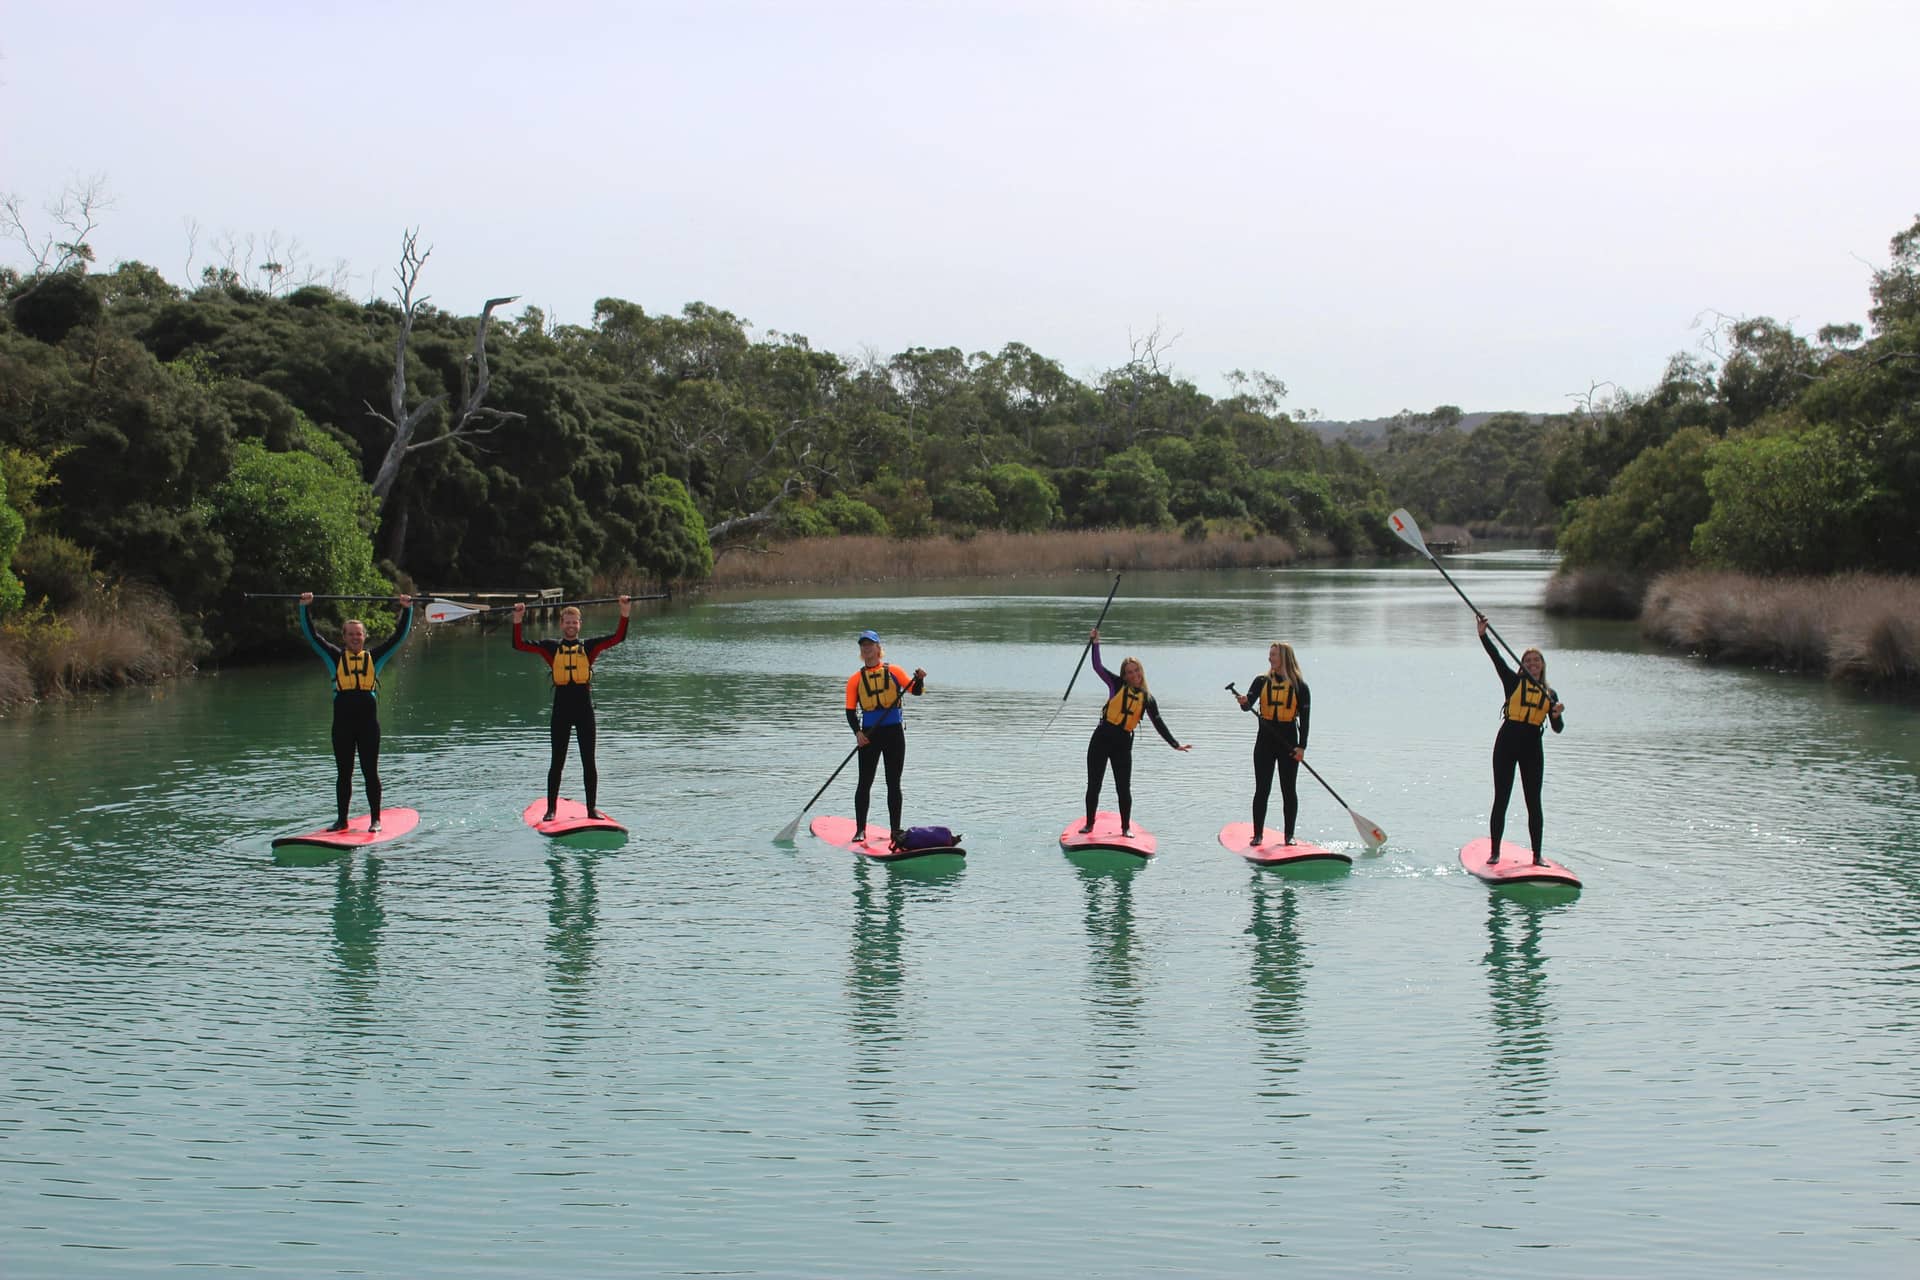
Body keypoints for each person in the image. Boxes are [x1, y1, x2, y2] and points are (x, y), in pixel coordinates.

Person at [297, 591, 414, 831]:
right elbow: (313, 636)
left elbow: (398, 637)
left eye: (358, 634)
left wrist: (407, 610)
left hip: (368, 727)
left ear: (364, 636)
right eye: (350, 634)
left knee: (371, 772)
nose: (355, 638)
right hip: (342, 727)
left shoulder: (374, 658)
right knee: (344, 774)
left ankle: (375, 820)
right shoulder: (334, 658)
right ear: (344, 637)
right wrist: (305, 608)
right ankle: (342, 820)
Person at [513, 596, 633, 822]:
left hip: (584, 710)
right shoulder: (551, 648)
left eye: (574, 622)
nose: (570, 626)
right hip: (561, 710)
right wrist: (518, 619)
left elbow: (618, 637)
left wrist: (624, 612)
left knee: (590, 761)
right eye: (567, 622)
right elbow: (519, 644)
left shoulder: (590, 647)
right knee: (556, 761)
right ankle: (551, 810)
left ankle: (591, 809)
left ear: (580, 624)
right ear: (561, 625)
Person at [1082, 627, 1190, 836]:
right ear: (1124, 675)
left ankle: (1125, 828)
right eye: (1129, 672)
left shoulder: (1147, 699)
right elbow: (1097, 667)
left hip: (1122, 744)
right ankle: (1089, 824)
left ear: (1141, 672)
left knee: (1123, 788)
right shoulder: (1116, 684)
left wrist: (1175, 744)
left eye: (1136, 670)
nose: (1134, 675)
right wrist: (1095, 643)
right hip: (1101, 738)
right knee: (1094, 784)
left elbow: (1159, 723)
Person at [1478, 614, 1565, 866]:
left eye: (1536, 660)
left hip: (1532, 748)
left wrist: (1557, 715)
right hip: (1507, 744)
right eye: (1528, 661)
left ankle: (1537, 856)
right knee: (1502, 797)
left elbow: (1557, 728)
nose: (1532, 663)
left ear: (1542, 665)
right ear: (1523, 665)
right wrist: (1483, 635)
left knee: (1533, 802)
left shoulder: (1550, 694)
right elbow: (1497, 659)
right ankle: (1495, 852)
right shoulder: (1513, 682)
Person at [844, 629, 926, 845]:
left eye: (870, 644)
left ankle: (895, 831)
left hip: (893, 734)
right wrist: (858, 733)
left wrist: (919, 680)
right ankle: (860, 830)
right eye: (863, 645)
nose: (866, 648)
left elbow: (915, 691)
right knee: (864, 783)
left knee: (893, 783)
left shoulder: (894, 671)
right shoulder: (855, 679)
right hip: (869, 736)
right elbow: (850, 711)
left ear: (878, 648)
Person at [1233, 642, 1311, 845]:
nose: (1270, 658)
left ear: (1284, 657)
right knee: (1262, 789)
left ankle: (1289, 836)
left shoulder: (1300, 687)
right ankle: (1258, 834)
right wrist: (1244, 702)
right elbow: (1248, 704)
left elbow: (1305, 719)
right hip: (1265, 741)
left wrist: (1301, 747)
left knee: (1288, 789)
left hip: (1289, 743)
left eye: (1274, 655)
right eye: (1270, 654)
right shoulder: (1261, 681)